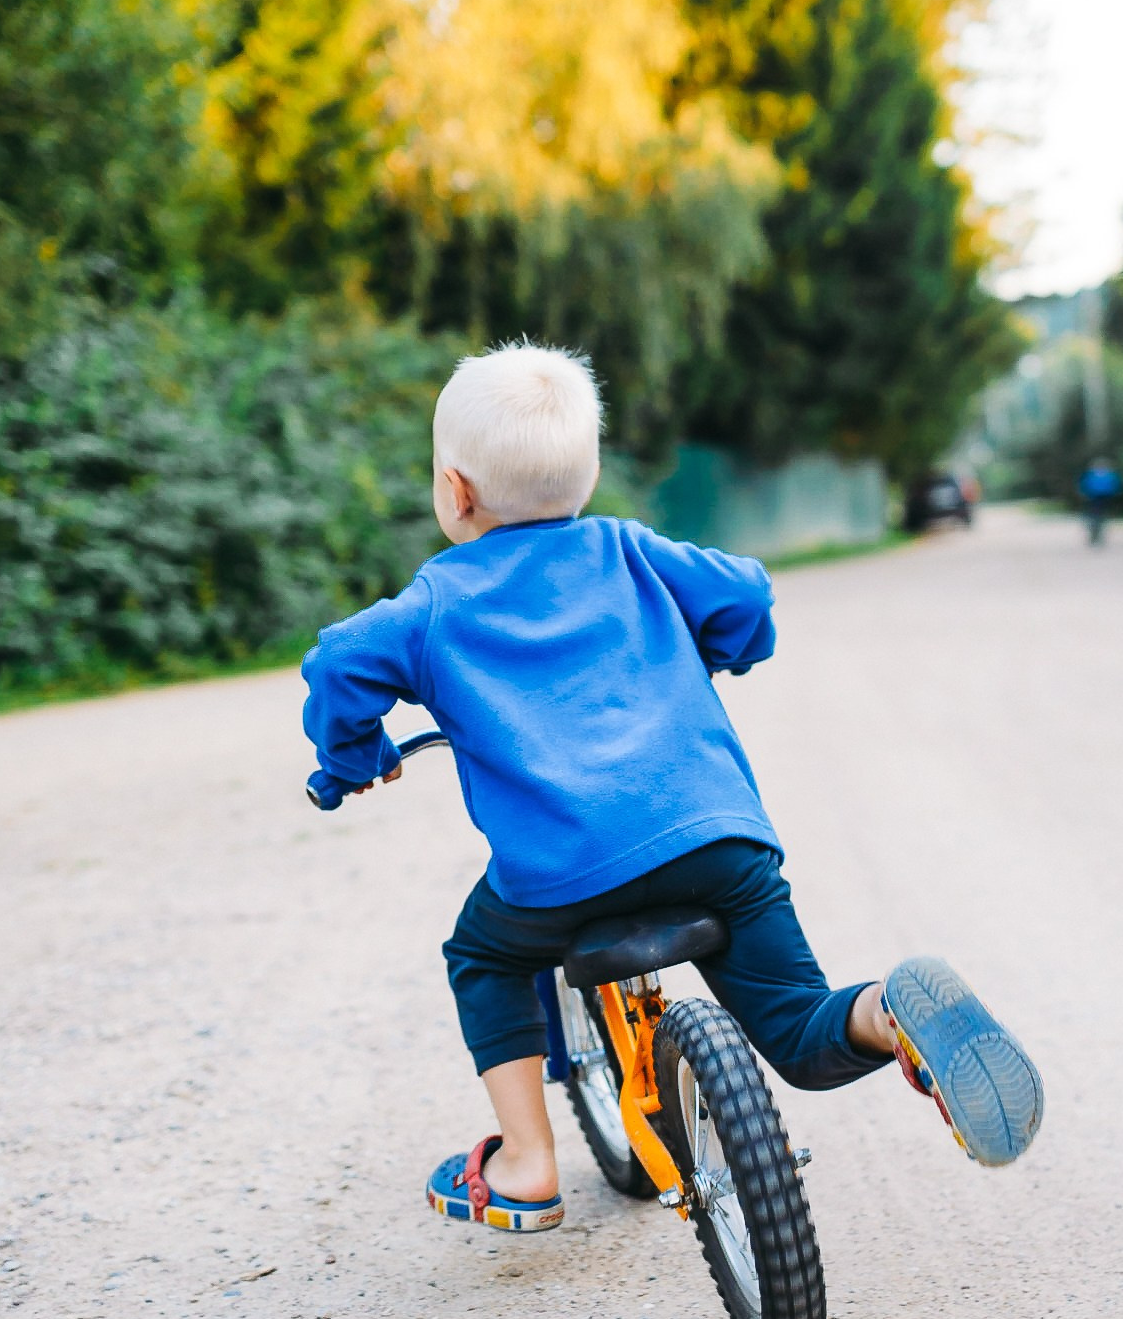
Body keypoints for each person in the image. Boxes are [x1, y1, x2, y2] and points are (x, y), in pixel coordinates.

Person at [300, 344, 1044, 1230]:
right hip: (718, 839)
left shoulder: (435, 603)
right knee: (801, 1032)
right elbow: (747, 595)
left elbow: (340, 659)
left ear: (455, 492)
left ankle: (530, 1164)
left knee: (484, 955)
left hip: (564, 873)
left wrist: (352, 757)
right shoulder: (629, 549)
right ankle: (892, 1015)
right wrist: (725, 648)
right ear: (592, 471)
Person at [1078, 456, 1123, 547]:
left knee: (1101, 516)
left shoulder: (1109, 475)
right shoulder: (1091, 475)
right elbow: (1083, 486)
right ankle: (1094, 532)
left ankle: (1097, 533)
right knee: (1095, 516)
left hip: (1105, 498)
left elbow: (1116, 485)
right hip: (1093, 498)